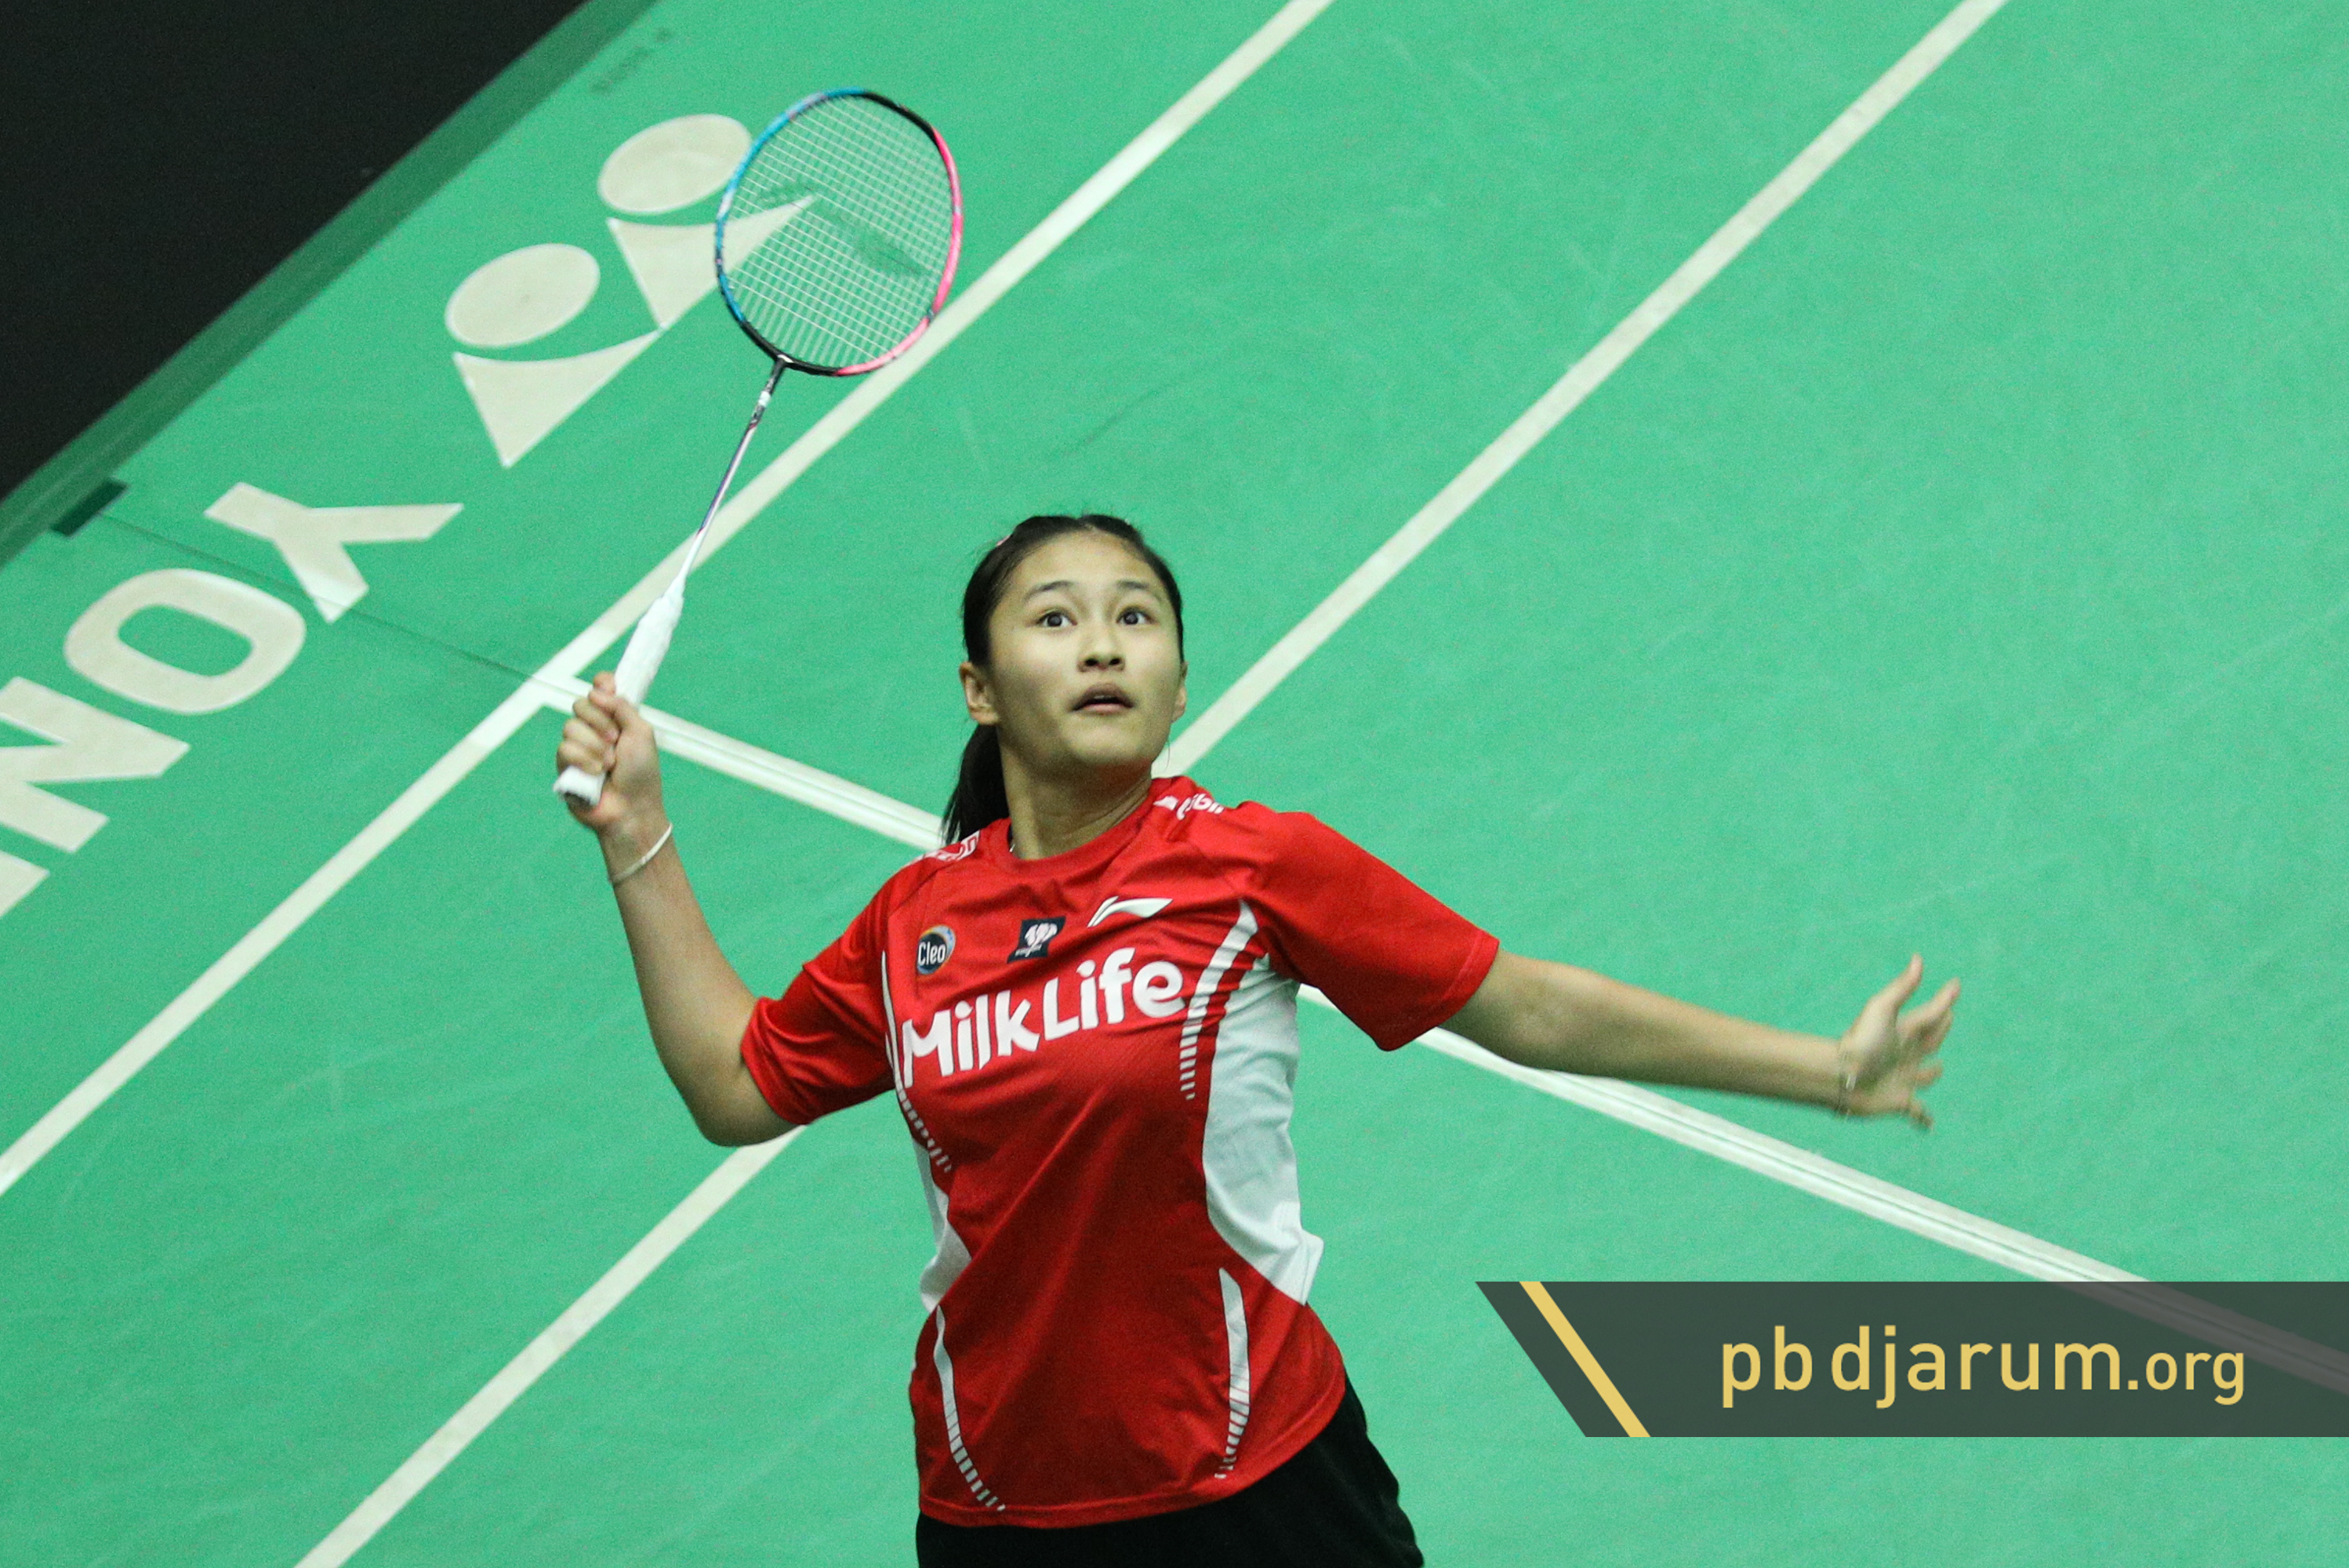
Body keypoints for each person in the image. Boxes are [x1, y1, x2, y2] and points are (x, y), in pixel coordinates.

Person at [556, 514, 1957, 1565]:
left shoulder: (1250, 870)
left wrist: (1820, 1068)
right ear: (979, 688)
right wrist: (638, 837)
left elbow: (1525, 1003)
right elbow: (736, 1085)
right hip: (998, 1505)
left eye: (1138, 617)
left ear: (1177, 685)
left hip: (1257, 1484)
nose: (1103, 643)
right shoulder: (915, 923)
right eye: (1055, 618)